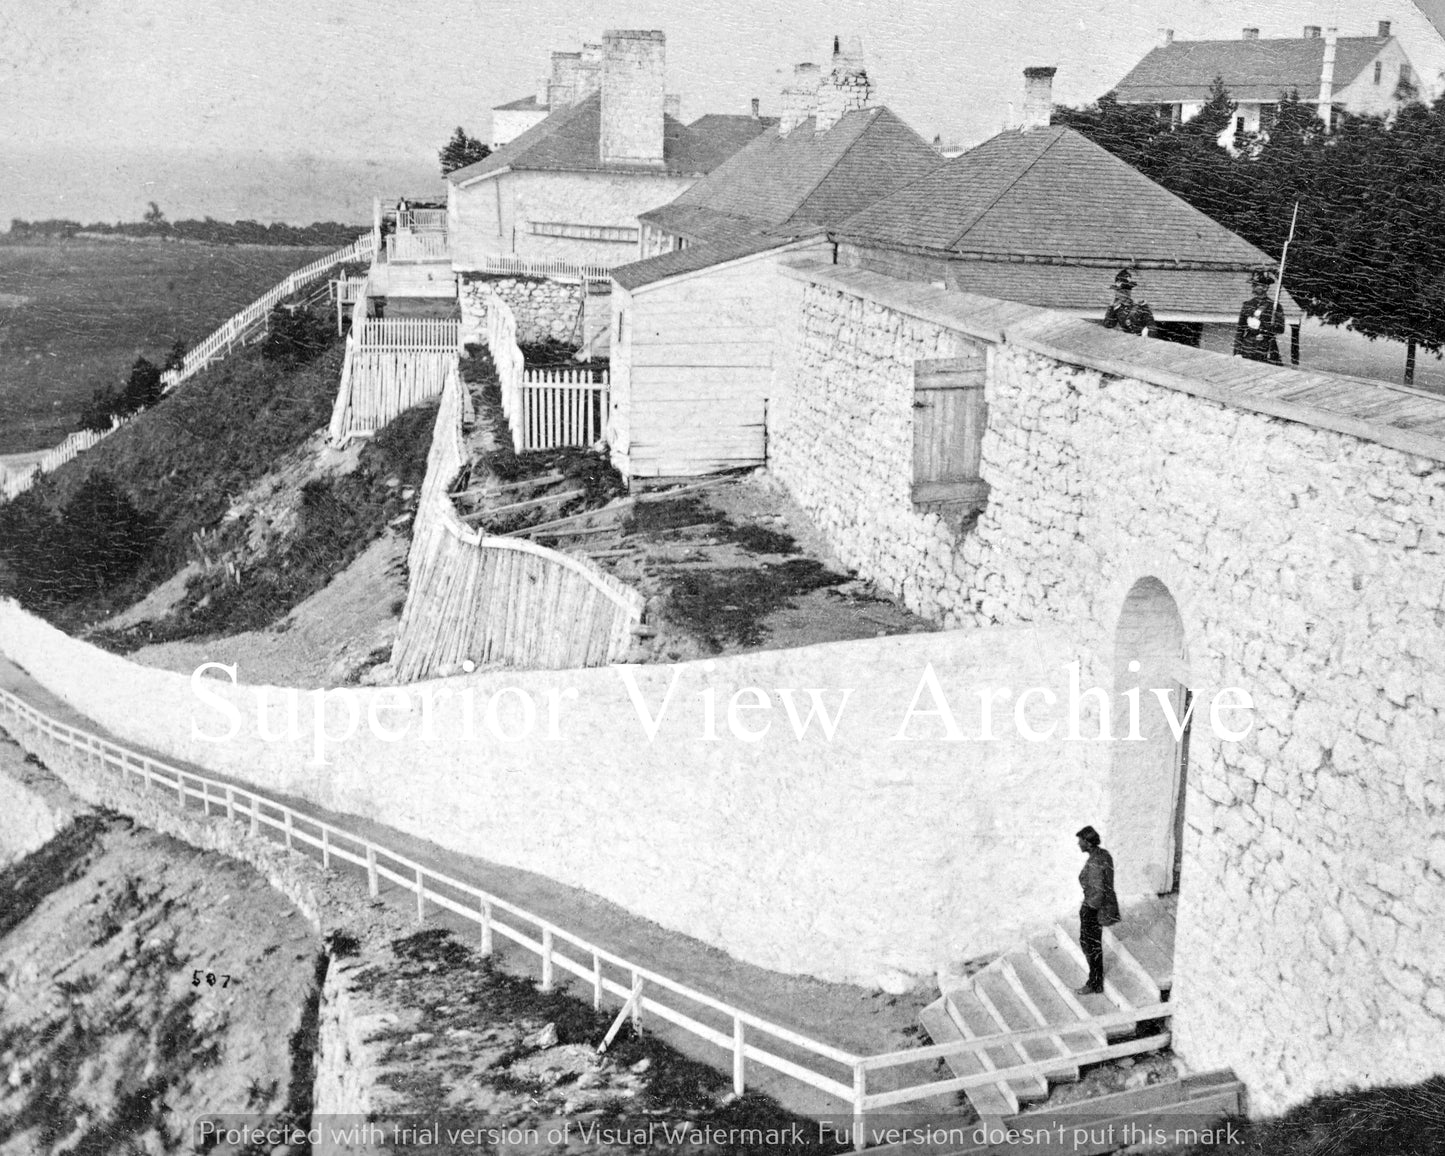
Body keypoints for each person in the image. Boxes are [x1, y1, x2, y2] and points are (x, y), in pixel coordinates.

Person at [1075, 825, 1121, 995]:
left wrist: (1088, 909)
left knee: (1089, 945)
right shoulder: (1103, 855)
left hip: (1092, 909)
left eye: (1080, 840)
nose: (1078, 844)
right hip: (1099, 906)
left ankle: (1094, 982)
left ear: (1087, 842)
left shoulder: (1095, 862)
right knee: (1093, 945)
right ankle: (1096, 982)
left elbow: (1098, 890)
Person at [1233, 269, 1286, 364]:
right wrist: (1237, 352)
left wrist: (1261, 325)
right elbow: (1240, 330)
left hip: (1267, 348)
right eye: (1253, 285)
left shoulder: (1275, 306)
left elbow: (1280, 329)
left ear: (1266, 287)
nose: (1253, 287)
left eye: (1257, 285)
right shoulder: (1247, 305)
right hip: (1247, 348)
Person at [1102, 269, 1155, 338]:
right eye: (1118, 292)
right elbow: (1108, 325)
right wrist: (1111, 308)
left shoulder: (1141, 306)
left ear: (1128, 292)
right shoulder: (1117, 309)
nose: (1118, 294)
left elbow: (1152, 327)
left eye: (1123, 291)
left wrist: (1147, 341)